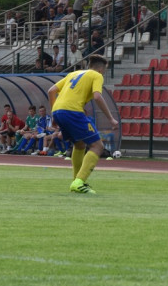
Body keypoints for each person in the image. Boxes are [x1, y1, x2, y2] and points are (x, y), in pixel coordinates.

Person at [47, 54, 119, 194]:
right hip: (72, 111)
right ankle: (79, 182)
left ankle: (77, 180)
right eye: (103, 71)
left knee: (79, 144)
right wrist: (111, 118)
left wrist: (54, 113)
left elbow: (52, 91)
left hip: (58, 110)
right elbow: (97, 96)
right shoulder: (96, 76)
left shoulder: (73, 74)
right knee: (98, 146)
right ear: (100, 70)